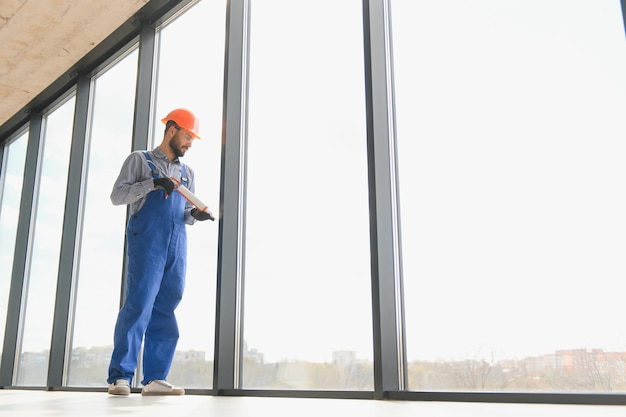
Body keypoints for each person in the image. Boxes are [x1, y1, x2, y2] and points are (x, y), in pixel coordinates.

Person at [107, 108, 214, 396]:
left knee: (166, 306)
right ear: (172, 129)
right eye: (188, 136)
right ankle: (121, 377)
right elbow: (118, 196)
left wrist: (196, 215)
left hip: (176, 243)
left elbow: (185, 213)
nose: (190, 143)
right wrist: (153, 183)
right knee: (139, 303)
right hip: (148, 239)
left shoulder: (187, 173)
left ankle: (155, 378)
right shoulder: (139, 160)